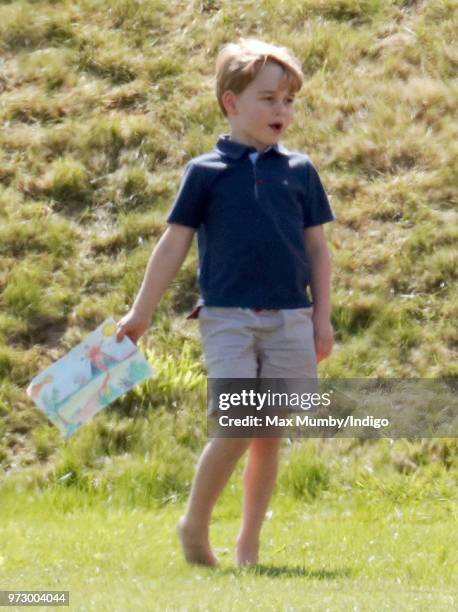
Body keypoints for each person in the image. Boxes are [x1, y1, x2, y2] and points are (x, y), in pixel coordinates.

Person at [116, 37, 335, 567]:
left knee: (268, 434)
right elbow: (173, 244)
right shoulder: (205, 172)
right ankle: (194, 524)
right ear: (231, 102)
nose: (281, 110)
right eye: (268, 98)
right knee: (236, 423)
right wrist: (140, 313)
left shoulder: (300, 171)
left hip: (291, 319)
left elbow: (318, 249)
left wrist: (322, 320)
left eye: (288, 100)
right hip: (228, 318)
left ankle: (249, 545)